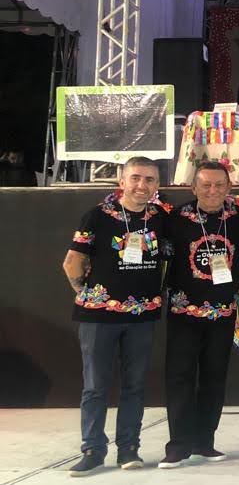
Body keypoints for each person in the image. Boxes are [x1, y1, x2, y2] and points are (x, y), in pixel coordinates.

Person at [62, 157, 171, 476]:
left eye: (149, 179)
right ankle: (93, 450)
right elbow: (72, 261)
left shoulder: (161, 218)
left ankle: (129, 448)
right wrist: (87, 294)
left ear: (157, 185)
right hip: (99, 317)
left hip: (142, 317)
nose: (142, 185)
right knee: (95, 386)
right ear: (121, 181)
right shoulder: (97, 215)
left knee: (135, 385)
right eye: (135, 177)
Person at [160, 161, 239, 468]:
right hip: (184, 313)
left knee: (214, 378)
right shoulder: (177, 218)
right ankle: (178, 446)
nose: (213, 190)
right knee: (180, 378)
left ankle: (205, 441)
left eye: (219, 185)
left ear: (229, 188)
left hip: (223, 312)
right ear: (193, 187)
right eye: (206, 185)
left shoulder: (237, 216)